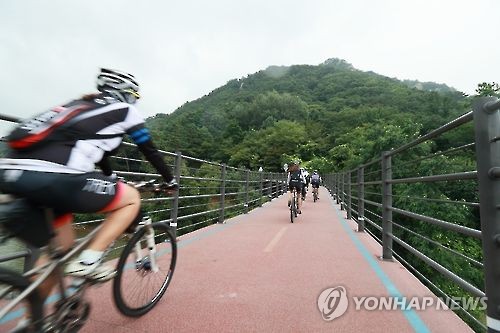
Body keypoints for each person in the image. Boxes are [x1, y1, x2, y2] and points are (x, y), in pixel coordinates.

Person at [0, 68, 178, 306]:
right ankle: (89, 261)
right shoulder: (126, 111)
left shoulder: (79, 106)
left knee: (60, 249)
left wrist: (111, 177)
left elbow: (98, 153)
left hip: (12, 173)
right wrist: (170, 180)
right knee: (132, 198)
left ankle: (35, 318)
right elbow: (149, 149)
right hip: (57, 179)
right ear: (127, 94)